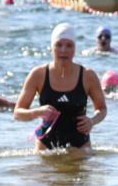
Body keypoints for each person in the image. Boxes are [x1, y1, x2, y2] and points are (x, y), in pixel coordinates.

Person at [14, 23, 107, 152]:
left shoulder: (87, 76)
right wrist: (37, 112)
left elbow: (102, 109)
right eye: (59, 45)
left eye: (69, 45)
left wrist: (92, 121)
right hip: (46, 147)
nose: (63, 50)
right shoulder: (38, 75)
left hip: (80, 147)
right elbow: (18, 113)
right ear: (52, 47)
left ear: (74, 49)